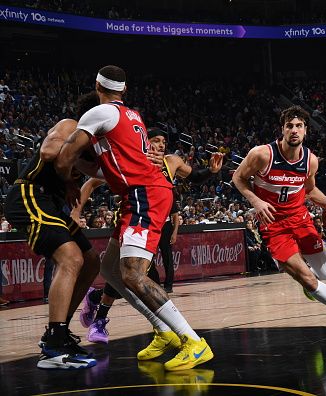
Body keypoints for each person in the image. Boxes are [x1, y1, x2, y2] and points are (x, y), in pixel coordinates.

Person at [54, 65, 217, 371]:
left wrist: (66, 180)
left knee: (132, 274)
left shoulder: (97, 113)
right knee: (110, 269)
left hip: (145, 195)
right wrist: (85, 170)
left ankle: (193, 341)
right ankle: (163, 330)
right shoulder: (132, 116)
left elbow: (64, 156)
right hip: (141, 193)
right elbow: (108, 170)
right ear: (124, 89)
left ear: (97, 85)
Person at [74, 128, 224, 344]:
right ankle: (171, 334)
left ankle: (102, 304)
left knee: (121, 274)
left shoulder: (172, 161)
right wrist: (76, 212)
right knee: (136, 278)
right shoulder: (132, 161)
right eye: (155, 140)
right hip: (135, 221)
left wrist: (211, 170)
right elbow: (91, 182)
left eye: (163, 141)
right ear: (144, 142)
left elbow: (196, 177)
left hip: (155, 225)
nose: (161, 145)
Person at [232, 105, 326, 336]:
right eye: (289, 126)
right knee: (307, 278)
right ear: (282, 130)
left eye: (299, 126)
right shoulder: (262, 155)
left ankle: (307, 281)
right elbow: (238, 178)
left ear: (306, 130)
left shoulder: (310, 161)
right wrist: (255, 201)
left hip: (301, 218)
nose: (294, 130)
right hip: (273, 225)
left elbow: (310, 191)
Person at [3, 92, 102, 369]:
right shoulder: (71, 125)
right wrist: (68, 171)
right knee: (71, 258)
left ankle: (57, 332)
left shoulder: (95, 144)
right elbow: (48, 152)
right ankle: (54, 346)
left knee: (91, 260)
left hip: (52, 202)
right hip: (30, 193)